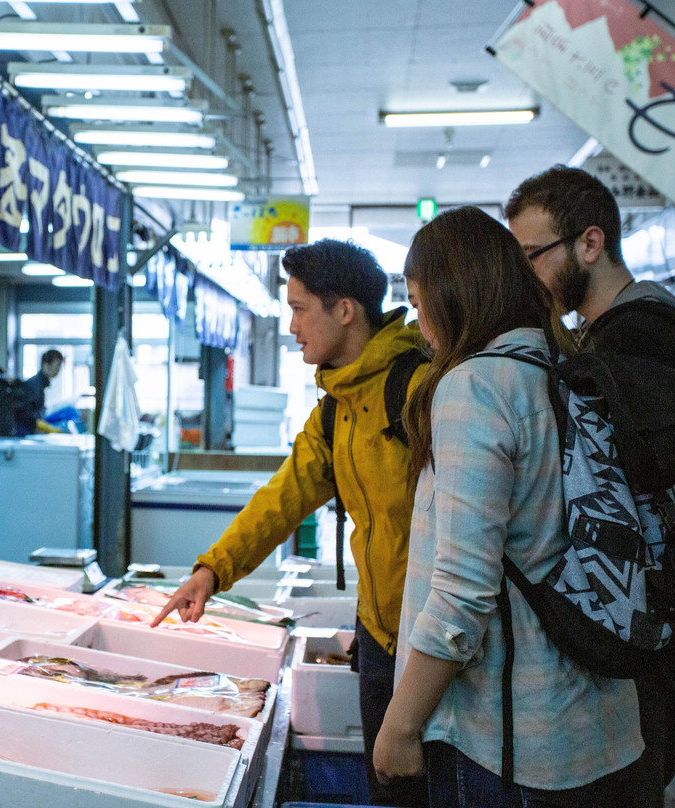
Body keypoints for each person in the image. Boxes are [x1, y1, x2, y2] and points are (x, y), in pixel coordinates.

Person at [373, 206, 642, 806]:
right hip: (592, 721)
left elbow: (462, 589)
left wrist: (400, 725)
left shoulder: (475, 386)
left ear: (454, 295)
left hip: (508, 739)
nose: (419, 326)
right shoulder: (558, 369)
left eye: (418, 305)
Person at [150, 238, 430, 807]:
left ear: (345, 310)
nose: (291, 324)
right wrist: (213, 570)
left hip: (436, 647)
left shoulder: (418, 391)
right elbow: (283, 495)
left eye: (300, 308)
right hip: (378, 638)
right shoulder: (336, 409)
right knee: (392, 794)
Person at [505, 164, 675, 807]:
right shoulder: (627, 336)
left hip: (643, 633)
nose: (523, 274)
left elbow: (643, 501)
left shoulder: (637, 342)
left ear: (590, 243)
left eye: (531, 254)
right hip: (655, 627)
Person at [15, 348, 65, 435]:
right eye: (57, 366)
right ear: (46, 365)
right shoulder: (35, 385)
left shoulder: (39, 384)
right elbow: (27, 415)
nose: (58, 370)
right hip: (24, 432)